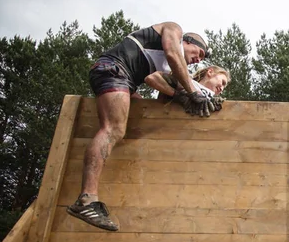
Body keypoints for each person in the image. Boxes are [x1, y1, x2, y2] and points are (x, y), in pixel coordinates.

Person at [67, 22, 217, 231]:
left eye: (201, 59)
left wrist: (182, 96)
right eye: (198, 52)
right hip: (115, 68)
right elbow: (174, 55)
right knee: (114, 129)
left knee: (139, 120)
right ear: (186, 40)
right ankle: (86, 200)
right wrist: (192, 92)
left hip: (125, 80)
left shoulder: (166, 65)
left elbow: (157, 86)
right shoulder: (173, 29)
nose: (198, 59)